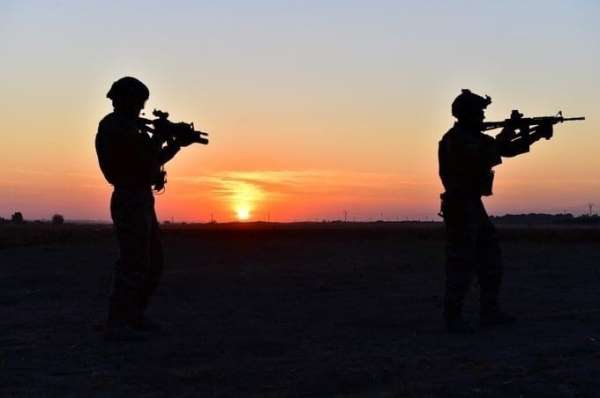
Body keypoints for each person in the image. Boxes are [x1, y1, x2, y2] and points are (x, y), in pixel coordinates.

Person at [438, 89, 551, 333]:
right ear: (466, 113)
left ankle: (489, 312)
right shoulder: (457, 139)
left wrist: (535, 134)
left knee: (490, 260)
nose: (482, 116)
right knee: (461, 263)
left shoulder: (473, 137)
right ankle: (453, 318)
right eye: (478, 112)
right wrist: (512, 129)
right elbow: (492, 151)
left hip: (472, 205)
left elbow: (504, 150)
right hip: (460, 206)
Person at [95, 76, 181, 341]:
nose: (141, 108)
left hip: (142, 196)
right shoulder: (114, 126)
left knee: (153, 262)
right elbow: (139, 158)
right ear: (123, 100)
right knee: (133, 262)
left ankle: (133, 315)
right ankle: (118, 322)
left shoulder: (133, 127)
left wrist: (175, 145)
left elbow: (151, 162)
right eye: (138, 102)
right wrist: (160, 138)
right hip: (129, 197)